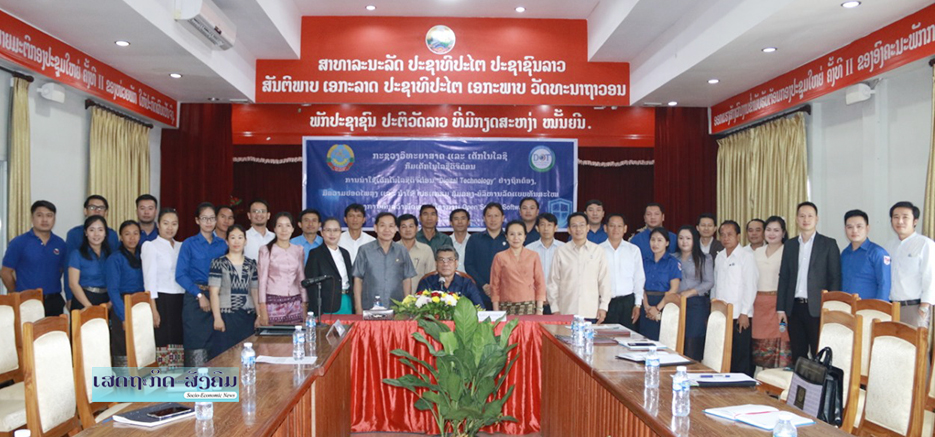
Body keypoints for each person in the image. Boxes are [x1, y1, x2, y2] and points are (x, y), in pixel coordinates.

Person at [777, 202, 841, 363]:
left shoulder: (828, 244)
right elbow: (784, 277)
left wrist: (831, 307)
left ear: (816, 219)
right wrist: (780, 308)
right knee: (798, 354)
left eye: (810, 216)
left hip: (818, 308)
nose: (806, 219)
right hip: (794, 308)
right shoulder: (790, 245)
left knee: (819, 353)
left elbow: (835, 278)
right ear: (796, 219)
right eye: (802, 216)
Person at [176, 202, 228, 367]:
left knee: (218, 343)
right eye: (204, 218)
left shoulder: (222, 244)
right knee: (196, 344)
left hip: (218, 298)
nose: (208, 222)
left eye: (212, 218)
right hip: (195, 298)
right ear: (197, 220)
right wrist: (199, 295)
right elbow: (180, 275)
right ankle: (195, 382)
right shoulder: (189, 244)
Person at [2, 201, 68, 316]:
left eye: (49, 215)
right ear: (32, 218)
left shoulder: (60, 243)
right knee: (27, 328)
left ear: (54, 219)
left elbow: (63, 269)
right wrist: (16, 294)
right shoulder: (19, 242)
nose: (44, 219)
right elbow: (5, 272)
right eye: (39, 215)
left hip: (54, 301)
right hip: (27, 302)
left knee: (56, 328)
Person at [713, 221, 758, 377]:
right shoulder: (719, 257)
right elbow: (716, 285)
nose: (726, 238)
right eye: (723, 235)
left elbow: (750, 286)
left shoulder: (746, 257)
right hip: (722, 315)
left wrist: (744, 313)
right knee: (724, 355)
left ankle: (742, 387)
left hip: (740, 315)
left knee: (741, 356)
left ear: (738, 236)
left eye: (730, 234)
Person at [548, 212, 611, 322]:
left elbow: (604, 281)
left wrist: (603, 307)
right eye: (574, 226)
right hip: (566, 311)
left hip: (591, 311)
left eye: (582, 225)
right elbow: (553, 282)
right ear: (569, 230)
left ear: (588, 228)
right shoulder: (561, 251)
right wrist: (554, 308)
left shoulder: (598, 251)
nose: (578, 229)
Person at [142, 208, 185, 368]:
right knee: (163, 341)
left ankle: (177, 378)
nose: (170, 228)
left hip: (180, 299)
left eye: (174, 224)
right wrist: (153, 309)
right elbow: (149, 281)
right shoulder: (151, 246)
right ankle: (163, 380)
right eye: (166, 223)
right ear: (158, 225)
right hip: (161, 300)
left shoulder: (181, 246)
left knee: (178, 341)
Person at [209, 225, 259, 358]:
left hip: (247, 316)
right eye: (232, 238)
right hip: (226, 316)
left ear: (245, 241)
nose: (236, 241)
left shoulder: (252, 264)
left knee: (246, 355)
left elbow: (255, 291)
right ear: (227, 241)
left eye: (240, 237)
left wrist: (259, 315)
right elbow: (213, 293)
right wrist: (217, 318)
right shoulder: (218, 262)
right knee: (225, 357)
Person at [353, 212, 416, 312]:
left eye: (391, 226)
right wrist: (358, 308)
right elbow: (358, 280)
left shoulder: (402, 251)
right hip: (370, 308)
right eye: (382, 225)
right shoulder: (364, 250)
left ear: (396, 229)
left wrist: (406, 307)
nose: (387, 230)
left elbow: (407, 279)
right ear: (375, 228)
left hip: (397, 309)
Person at [105, 220, 148, 367]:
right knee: (123, 346)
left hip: (141, 305)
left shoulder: (143, 256)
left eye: (135, 233)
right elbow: (113, 290)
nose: (132, 238)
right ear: (121, 237)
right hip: (122, 305)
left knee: (142, 346)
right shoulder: (115, 258)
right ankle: (123, 380)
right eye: (127, 234)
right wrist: (123, 316)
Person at [886, 201, 935, 327]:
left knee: (914, 340)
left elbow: (930, 276)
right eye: (896, 217)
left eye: (905, 217)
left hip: (914, 307)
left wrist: (924, 307)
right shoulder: (889, 246)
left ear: (915, 221)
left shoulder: (925, 244)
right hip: (891, 307)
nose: (900, 221)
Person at [752, 216, 792, 369]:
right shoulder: (757, 252)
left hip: (779, 305)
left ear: (783, 233)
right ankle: (763, 377)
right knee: (760, 343)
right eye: (768, 230)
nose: (772, 233)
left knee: (781, 339)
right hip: (758, 305)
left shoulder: (788, 251)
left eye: (776, 230)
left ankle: (778, 378)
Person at [671, 226, 713, 360]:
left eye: (688, 238)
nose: (684, 242)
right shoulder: (672, 258)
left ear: (694, 240)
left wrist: (690, 292)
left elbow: (709, 282)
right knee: (675, 340)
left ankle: (693, 369)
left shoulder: (704, 258)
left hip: (696, 304)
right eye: (681, 238)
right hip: (675, 303)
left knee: (692, 341)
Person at [257, 212, 307, 325]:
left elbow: (301, 277)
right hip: (273, 302)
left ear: (293, 228)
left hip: (295, 302)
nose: (284, 230)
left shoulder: (298, 249)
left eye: (287, 225)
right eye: (280, 226)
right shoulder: (266, 250)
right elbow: (262, 281)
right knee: (274, 335)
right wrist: (262, 308)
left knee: (296, 334)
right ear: (274, 228)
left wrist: (304, 303)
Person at [599, 214, 644, 330]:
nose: (616, 229)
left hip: (627, 303)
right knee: (605, 338)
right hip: (605, 303)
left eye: (619, 226)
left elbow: (639, 278)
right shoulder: (598, 250)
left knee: (628, 337)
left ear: (625, 229)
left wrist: (637, 304)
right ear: (605, 228)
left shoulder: (633, 250)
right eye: (612, 226)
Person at [490, 220, 545, 315]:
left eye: (519, 234)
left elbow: (540, 283)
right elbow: (495, 285)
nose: (516, 238)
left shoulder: (533, 256)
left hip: (529, 306)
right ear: (506, 237)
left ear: (525, 236)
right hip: (506, 306)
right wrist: (496, 311)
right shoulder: (499, 257)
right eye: (512, 234)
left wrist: (539, 309)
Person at [305, 218, 355, 314]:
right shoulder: (315, 254)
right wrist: (317, 310)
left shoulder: (345, 253)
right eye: (328, 230)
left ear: (340, 232)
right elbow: (312, 285)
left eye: (336, 230)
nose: (332, 234)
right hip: (326, 304)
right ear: (322, 233)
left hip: (347, 301)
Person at [639, 228, 681, 340]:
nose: (655, 243)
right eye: (653, 240)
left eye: (659, 240)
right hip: (646, 303)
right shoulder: (644, 261)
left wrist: (657, 309)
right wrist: (646, 306)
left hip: (664, 303)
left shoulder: (673, 262)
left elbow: (674, 288)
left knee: (662, 340)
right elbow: (640, 285)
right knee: (644, 340)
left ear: (667, 243)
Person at [464, 203, 508, 310]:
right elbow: (469, 265)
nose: (493, 219)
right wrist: (484, 285)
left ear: (503, 218)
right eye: (489, 216)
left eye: (496, 216)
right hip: (479, 293)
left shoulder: (510, 239)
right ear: (484, 218)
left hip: (505, 293)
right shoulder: (474, 239)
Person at [841, 209, 891, 301]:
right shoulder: (845, 253)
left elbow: (884, 284)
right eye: (850, 227)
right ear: (845, 229)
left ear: (867, 228)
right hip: (847, 306)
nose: (854, 230)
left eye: (859, 226)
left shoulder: (878, 253)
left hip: (870, 307)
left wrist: (879, 307)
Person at [67, 216, 112, 311]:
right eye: (92, 230)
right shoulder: (77, 254)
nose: (96, 234)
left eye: (100, 230)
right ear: (86, 233)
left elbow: (115, 281)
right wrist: (88, 306)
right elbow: (73, 284)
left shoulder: (110, 255)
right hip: (83, 299)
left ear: (105, 233)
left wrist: (110, 303)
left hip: (105, 301)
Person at [416, 246, 485, 307]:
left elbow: (479, 308)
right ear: (436, 264)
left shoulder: (467, 283)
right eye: (441, 260)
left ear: (456, 263)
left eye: (450, 260)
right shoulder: (426, 282)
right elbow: (417, 308)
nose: (445, 264)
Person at [526, 213, 565, 314]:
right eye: (542, 225)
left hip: (559, 301)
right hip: (534, 301)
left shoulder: (564, 249)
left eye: (549, 225)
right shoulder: (529, 249)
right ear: (537, 228)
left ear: (556, 228)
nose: (546, 228)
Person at [399, 214, 435, 295]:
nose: (408, 230)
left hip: (420, 297)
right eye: (404, 227)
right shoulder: (393, 249)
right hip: (395, 298)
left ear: (417, 228)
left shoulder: (426, 249)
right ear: (398, 229)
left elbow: (431, 276)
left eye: (411, 226)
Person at [449, 208, 471, 273]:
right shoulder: (446, 241)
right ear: (451, 223)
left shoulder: (475, 241)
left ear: (468, 222)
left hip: (471, 279)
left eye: (463, 218)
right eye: (456, 219)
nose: (460, 222)